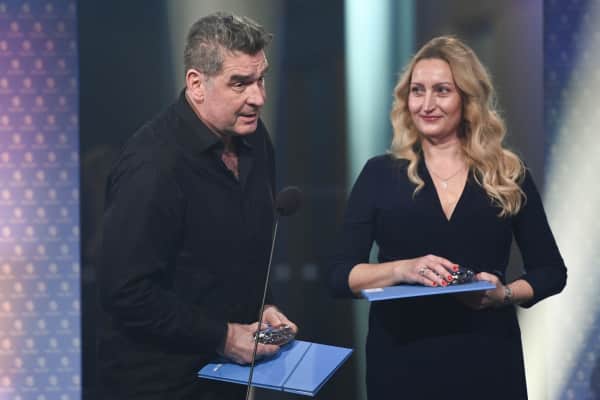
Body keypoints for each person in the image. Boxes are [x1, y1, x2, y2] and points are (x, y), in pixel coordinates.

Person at [329, 36, 566, 399]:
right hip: (403, 361)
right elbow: (339, 276)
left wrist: (504, 294)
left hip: (488, 358)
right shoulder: (380, 174)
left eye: (441, 91)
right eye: (417, 91)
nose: (426, 104)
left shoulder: (507, 174)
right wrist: (402, 269)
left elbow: (551, 271)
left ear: (467, 99)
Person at [97, 12, 297, 400]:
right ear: (196, 84)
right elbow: (126, 292)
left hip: (229, 377)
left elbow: (243, 249)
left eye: (261, 79)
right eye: (240, 83)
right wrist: (223, 336)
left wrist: (263, 306)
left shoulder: (255, 139)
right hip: (158, 384)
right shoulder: (152, 165)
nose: (258, 97)